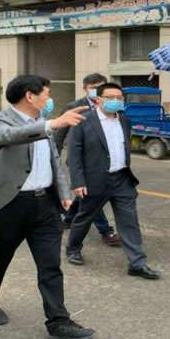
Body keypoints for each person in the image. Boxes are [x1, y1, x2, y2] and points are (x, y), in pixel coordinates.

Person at [0, 75, 95, 339]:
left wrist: (63, 193)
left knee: (50, 265)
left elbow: (53, 160)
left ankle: (58, 322)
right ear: (30, 96)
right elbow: (6, 136)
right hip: (9, 205)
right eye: (47, 94)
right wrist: (53, 124)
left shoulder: (42, 123)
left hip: (45, 205)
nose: (50, 99)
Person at [66, 83, 160, 280]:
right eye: (110, 97)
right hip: (95, 180)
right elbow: (74, 154)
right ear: (98, 99)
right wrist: (78, 182)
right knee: (85, 216)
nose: (116, 101)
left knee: (129, 221)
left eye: (119, 97)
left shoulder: (124, 120)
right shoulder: (83, 121)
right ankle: (73, 248)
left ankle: (137, 263)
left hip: (122, 179)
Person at [54, 73, 120, 247]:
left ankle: (68, 218)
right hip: (80, 160)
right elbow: (59, 134)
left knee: (84, 195)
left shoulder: (111, 107)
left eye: (101, 87)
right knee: (91, 196)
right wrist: (54, 158)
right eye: (93, 88)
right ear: (85, 88)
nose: (97, 91)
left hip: (102, 161)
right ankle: (105, 231)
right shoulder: (73, 107)